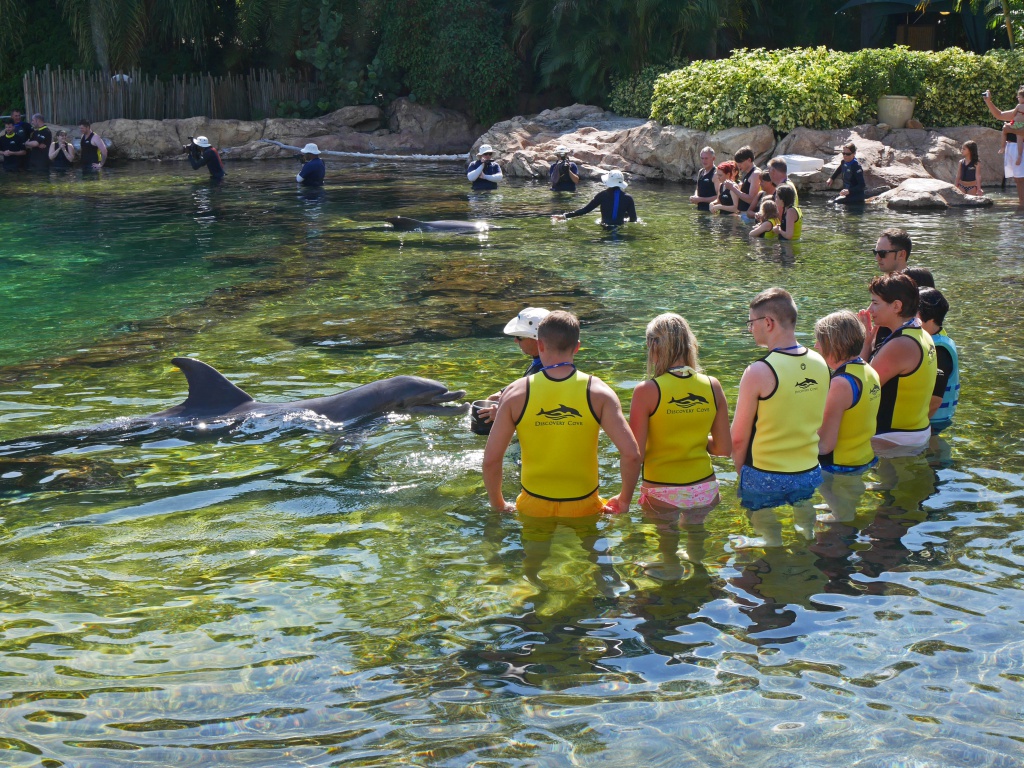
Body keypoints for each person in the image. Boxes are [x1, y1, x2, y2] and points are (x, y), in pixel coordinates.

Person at [483, 310, 641, 517]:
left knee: (534, 550)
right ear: (577, 347)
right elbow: (631, 455)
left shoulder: (516, 393)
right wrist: (624, 500)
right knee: (592, 550)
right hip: (584, 505)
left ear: (539, 345)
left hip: (533, 505)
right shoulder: (599, 392)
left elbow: (491, 460)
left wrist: (499, 504)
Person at [731, 288, 829, 539]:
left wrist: (742, 473)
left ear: (768, 322)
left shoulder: (758, 371)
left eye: (751, 322)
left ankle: (773, 558)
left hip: (765, 474)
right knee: (805, 523)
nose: (750, 328)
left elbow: (739, 438)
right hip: (809, 472)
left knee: (768, 534)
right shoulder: (820, 362)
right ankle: (807, 544)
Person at [628, 313, 731, 515]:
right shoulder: (712, 385)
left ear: (653, 346)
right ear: (689, 344)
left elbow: (635, 455)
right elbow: (723, 448)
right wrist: (694, 439)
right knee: (698, 545)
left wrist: (624, 497)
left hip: (662, 490)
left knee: (665, 546)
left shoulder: (646, 391)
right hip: (705, 488)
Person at [858, 273, 937, 454]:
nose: (869, 310)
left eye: (875, 303)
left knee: (882, 483)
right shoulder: (921, 333)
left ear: (896, 306)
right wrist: (869, 343)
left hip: (893, 440)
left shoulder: (900, 345)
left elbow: (860, 388)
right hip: (915, 432)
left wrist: (863, 345)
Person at [815, 310, 881, 523]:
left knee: (841, 514)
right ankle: (843, 504)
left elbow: (825, 446)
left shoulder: (841, 383)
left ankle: (842, 515)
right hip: (862, 455)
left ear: (835, 344)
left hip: (839, 464)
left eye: (820, 341)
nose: (816, 347)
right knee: (848, 490)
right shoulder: (869, 370)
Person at [476, 306, 550, 425]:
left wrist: (503, 415)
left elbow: (543, 418)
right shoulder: (541, 361)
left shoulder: (546, 372)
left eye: (520, 336)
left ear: (537, 340)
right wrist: (501, 395)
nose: (515, 340)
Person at [917, 287, 959, 434]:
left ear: (929, 317)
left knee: (934, 455)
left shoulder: (939, 350)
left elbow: (935, 401)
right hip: (934, 421)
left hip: (933, 422)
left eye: (912, 310)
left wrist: (914, 427)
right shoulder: (938, 337)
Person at [983, 88, 1024, 209]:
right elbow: (999, 115)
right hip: (1012, 147)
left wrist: (1009, 129)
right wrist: (988, 101)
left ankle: (1022, 208)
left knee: (1021, 180)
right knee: (1018, 180)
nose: (1018, 98)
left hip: (1021, 148)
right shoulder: (1018, 110)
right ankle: (1021, 207)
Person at [557, 169, 637, 226]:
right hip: (620, 228)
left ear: (608, 181)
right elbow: (633, 220)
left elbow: (585, 210)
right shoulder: (628, 198)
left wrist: (565, 216)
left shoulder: (602, 195)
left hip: (605, 227)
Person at [722, 145, 761, 215]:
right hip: (743, 214)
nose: (738, 165)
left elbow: (751, 199)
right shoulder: (748, 173)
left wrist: (732, 188)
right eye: (737, 162)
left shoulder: (755, 174)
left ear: (749, 160)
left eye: (741, 162)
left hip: (750, 216)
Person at [995, 86, 1024, 164]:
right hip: (1022, 125)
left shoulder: (1018, 106)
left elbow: (1013, 114)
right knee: (1020, 140)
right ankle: (1020, 155)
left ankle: (1002, 147)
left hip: (1015, 124)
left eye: (1019, 97)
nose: (1018, 98)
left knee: (1005, 128)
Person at [689, 146, 718, 211]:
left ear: (713, 158)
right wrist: (695, 197)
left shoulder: (716, 174)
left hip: (711, 211)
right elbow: (697, 189)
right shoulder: (701, 171)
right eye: (702, 158)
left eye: (706, 158)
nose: (704, 161)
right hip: (700, 209)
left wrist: (700, 199)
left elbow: (719, 197)